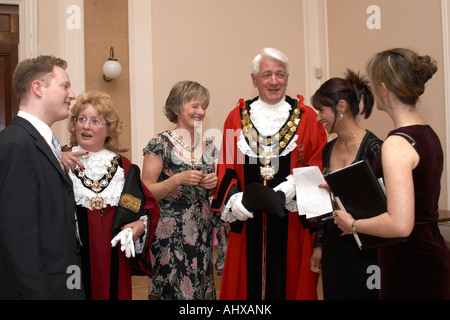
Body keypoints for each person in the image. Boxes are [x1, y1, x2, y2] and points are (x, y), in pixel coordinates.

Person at [211, 48, 327, 300]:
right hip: (247, 220)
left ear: (287, 78)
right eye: (266, 75)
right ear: (254, 80)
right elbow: (227, 164)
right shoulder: (236, 117)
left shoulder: (308, 118)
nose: (274, 81)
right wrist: (234, 199)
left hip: (292, 223)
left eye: (280, 74)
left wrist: (293, 185)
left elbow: (319, 161)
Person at [335, 48, 450, 299]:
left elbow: (400, 224)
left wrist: (352, 224)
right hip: (428, 253)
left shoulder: (397, 144)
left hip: (410, 264)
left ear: (384, 89)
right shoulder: (428, 134)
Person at [0, 55, 85, 299]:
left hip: (66, 277)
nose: (72, 95)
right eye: (65, 86)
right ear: (38, 88)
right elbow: (18, 238)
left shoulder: (44, 145)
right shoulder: (15, 145)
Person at [65, 91, 160, 300]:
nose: (86, 126)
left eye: (95, 121)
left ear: (108, 129)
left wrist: (141, 225)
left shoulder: (123, 167)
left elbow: (148, 207)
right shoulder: (62, 162)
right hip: (73, 262)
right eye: (81, 119)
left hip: (115, 260)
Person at [142, 80, 223, 300]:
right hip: (170, 232)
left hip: (201, 230)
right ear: (177, 108)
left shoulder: (209, 146)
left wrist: (211, 184)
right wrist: (177, 179)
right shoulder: (160, 143)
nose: (201, 112)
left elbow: (209, 193)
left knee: (200, 286)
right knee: (172, 288)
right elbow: (146, 191)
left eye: (204, 107)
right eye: (195, 106)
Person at [310, 69, 382, 300]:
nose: (318, 117)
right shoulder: (328, 149)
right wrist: (319, 245)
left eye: (321, 110)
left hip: (368, 248)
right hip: (334, 247)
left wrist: (344, 190)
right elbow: (326, 204)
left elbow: (383, 205)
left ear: (341, 107)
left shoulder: (375, 148)